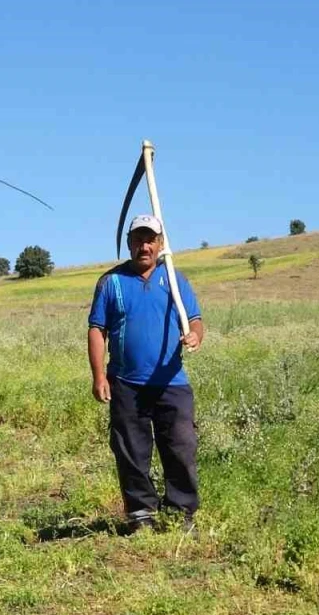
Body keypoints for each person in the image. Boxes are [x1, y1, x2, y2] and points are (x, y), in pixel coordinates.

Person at [87, 215, 205, 533]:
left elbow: (195, 319)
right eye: (139, 239)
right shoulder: (110, 282)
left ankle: (181, 512)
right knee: (131, 450)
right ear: (129, 243)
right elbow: (97, 330)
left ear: (161, 243)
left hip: (171, 382)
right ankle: (141, 513)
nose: (145, 246)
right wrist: (99, 376)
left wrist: (195, 335)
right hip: (126, 382)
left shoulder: (175, 280)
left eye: (151, 239)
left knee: (181, 447)